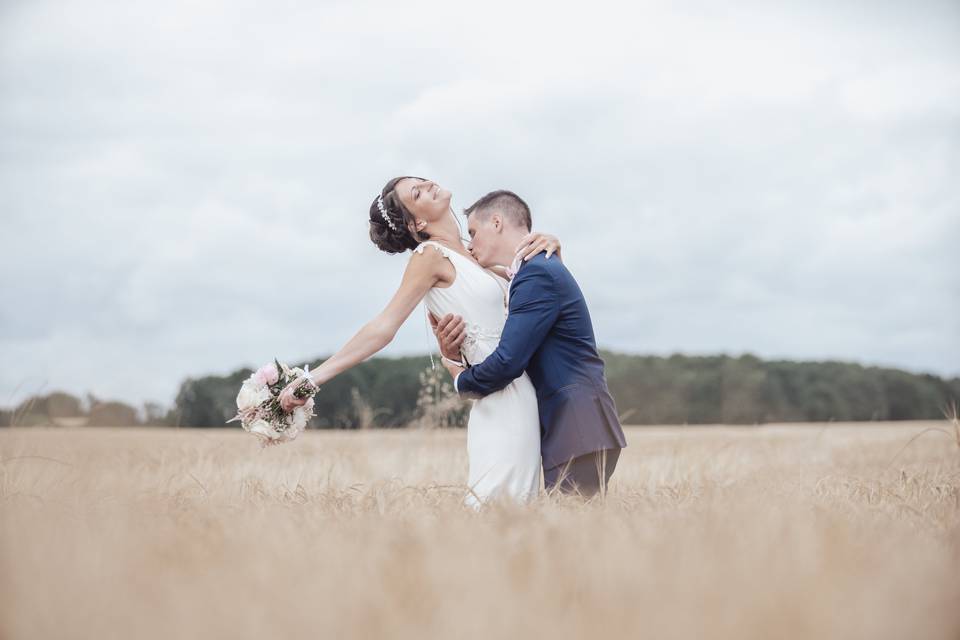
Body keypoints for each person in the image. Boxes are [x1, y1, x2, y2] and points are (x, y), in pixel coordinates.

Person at [279, 176, 561, 509]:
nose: (429, 185)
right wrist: (313, 379)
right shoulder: (429, 256)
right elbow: (384, 326)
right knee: (495, 508)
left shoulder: (476, 254)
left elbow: (535, 299)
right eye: (418, 192)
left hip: (522, 389)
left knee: (518, 511)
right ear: (417, 223)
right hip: (497, 396)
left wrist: (550, 246)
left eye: (424, 181)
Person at [432, 190, 628, 498]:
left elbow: (509, 361)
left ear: (496, 222)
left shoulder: (536, 274)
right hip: (577, 427)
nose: (470, 243)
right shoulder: (534, 270)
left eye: (472, 232)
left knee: (572, 536)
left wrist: (459, 377)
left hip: (576, 425)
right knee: (575, 537)